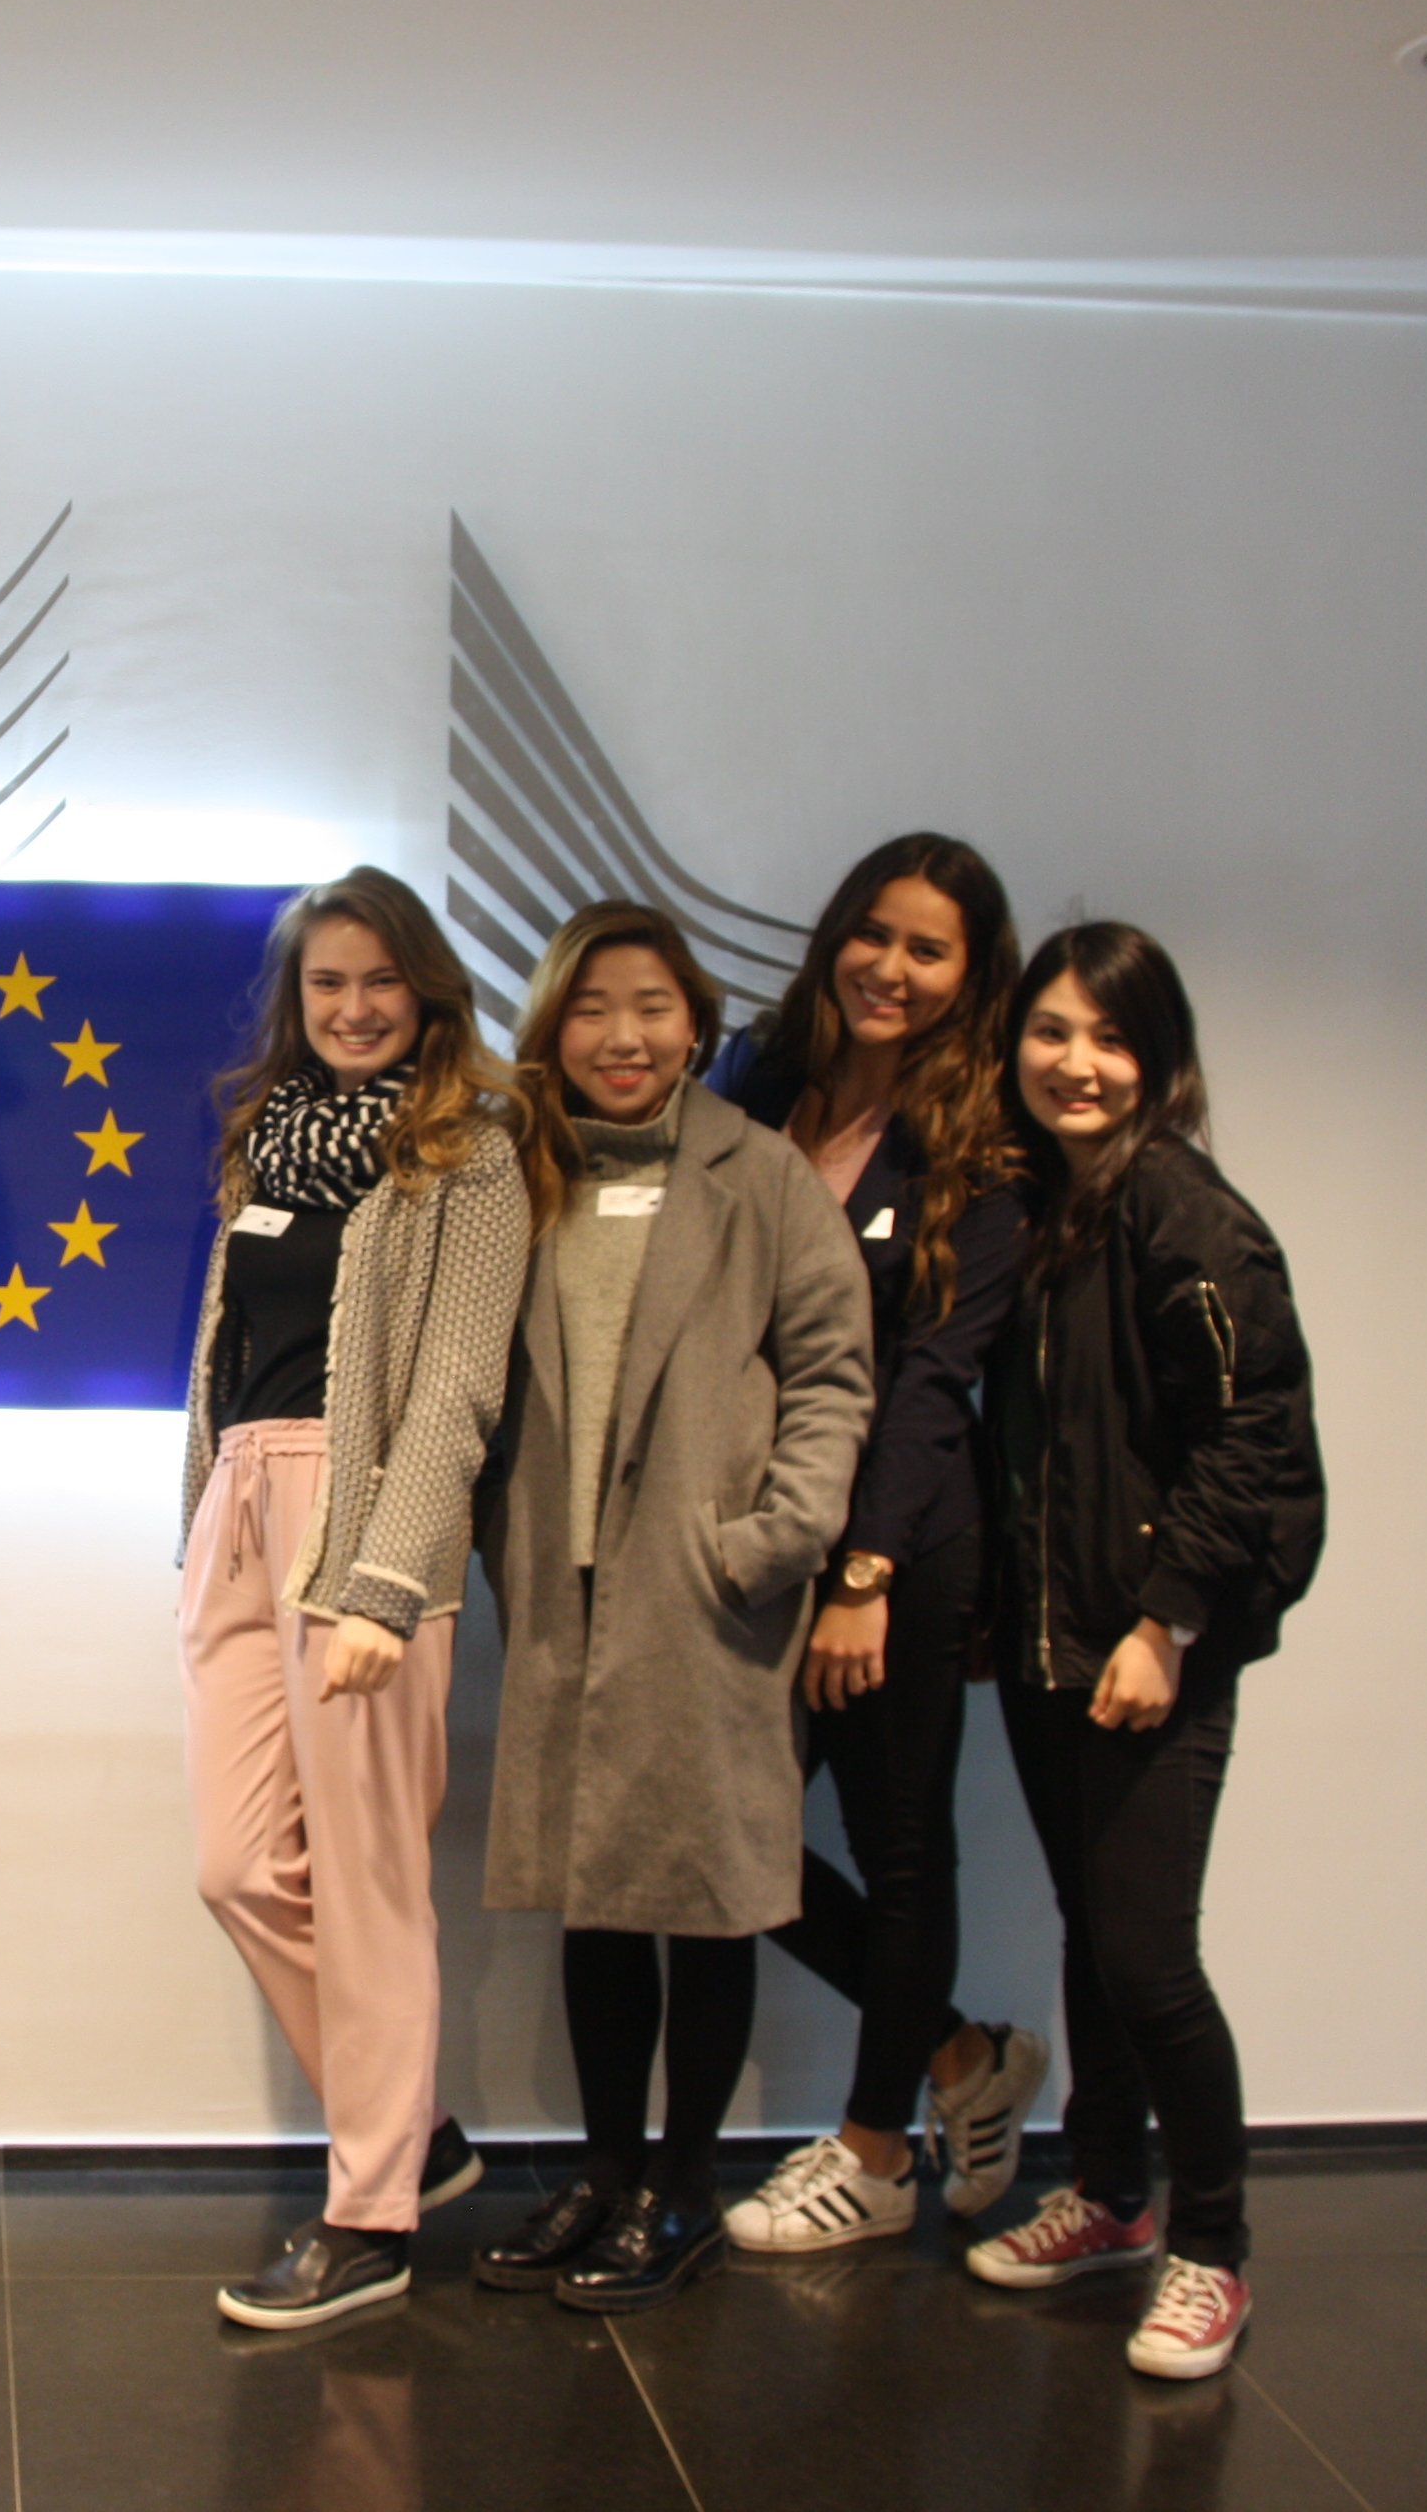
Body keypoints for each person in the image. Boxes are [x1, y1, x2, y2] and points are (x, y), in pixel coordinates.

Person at [471, 900, 873, 2314]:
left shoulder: (760, 1177)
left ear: (695, 1024)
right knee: (595, 1900)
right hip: (559, 1590)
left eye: (648, 1008)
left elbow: (833, 1371)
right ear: (551, 1029)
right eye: (590, 1009)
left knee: (701, 1902)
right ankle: (605, 2173)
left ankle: (685, 2191)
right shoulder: (515, 1174)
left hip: (705, 1596)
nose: (621, 1037)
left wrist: (778, 1535)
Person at [180, 865, 545, 2331]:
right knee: (236, 1866)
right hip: (240, 1515)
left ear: (428, 991)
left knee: (373, 1887)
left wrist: (390, 1586)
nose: (352, 1008)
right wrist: (206, 1513)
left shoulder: (473, 1151)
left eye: (379, 981)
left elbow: (457, 1384)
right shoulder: (266, 1139)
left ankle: (370, 2218)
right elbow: (224, 1347)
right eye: (326, 983)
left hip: (366, 1518)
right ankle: (416, 2139)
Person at [962, 923, 1322, 2382]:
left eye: (1109, 1038)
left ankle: (1213, 2251)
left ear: (1159, 1061)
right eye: (1051, 1032)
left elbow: (1257, 1442)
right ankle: (1110, 2198)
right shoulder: (1050, 1207)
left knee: (1150, 1962)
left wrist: (1165, 1621)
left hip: (1145, 1648)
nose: (1077, 1064)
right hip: (1059, 1647)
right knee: (1096, 1946)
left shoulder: (1187, 1212)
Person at [703, 835, 1055, 2252]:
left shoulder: (986, 1143)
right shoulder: (755, 1081)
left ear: (973, 980)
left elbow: (932, 1382)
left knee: (902, 1853)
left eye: (931, 950)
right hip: (750, 1535)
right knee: (728, 1837)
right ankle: (967, 2064)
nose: (892, 968)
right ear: (836, 932)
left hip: (897, 1544)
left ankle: (873, 2157)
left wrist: (866, 1577)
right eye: (877, 934)